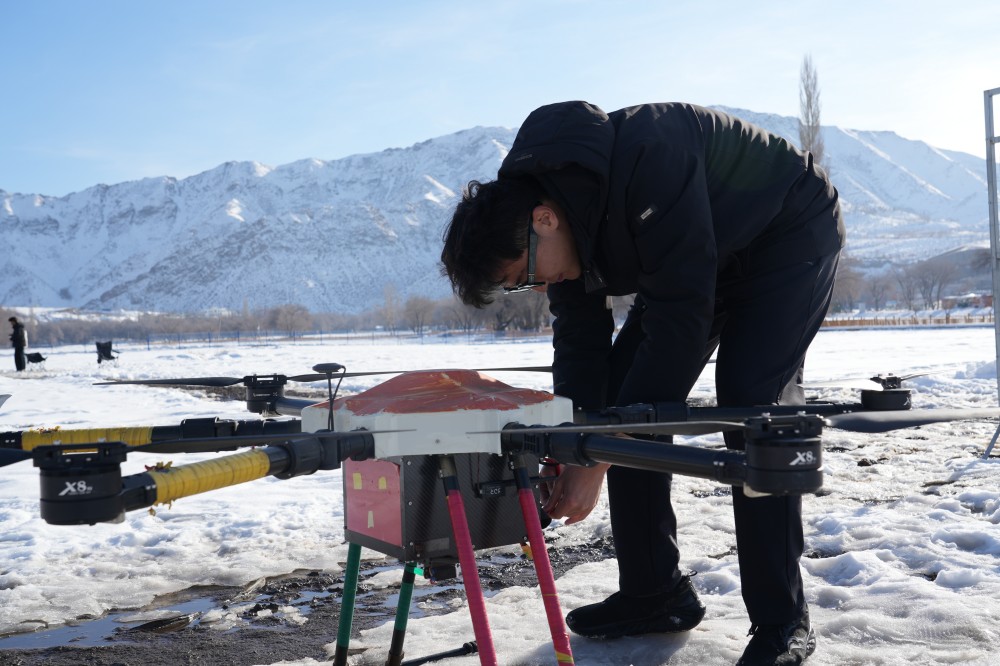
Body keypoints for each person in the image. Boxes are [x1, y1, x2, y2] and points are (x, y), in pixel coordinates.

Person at [440, 101, 845, 665]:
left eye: (523, 276)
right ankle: (656, 593)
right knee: (621, 403)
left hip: (785, 233)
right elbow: (581, 347)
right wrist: (574, 443)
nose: (533, 288)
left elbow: (681, 321)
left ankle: (783, 621)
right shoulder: (557, 217)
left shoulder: (649, 157)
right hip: (696, 260)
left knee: (754, 414)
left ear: (543, 220)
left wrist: (602, 457)